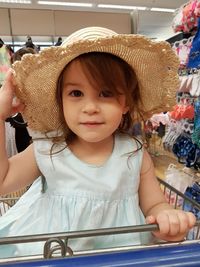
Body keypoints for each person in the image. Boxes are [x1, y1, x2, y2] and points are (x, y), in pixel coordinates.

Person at [0, 27, 196, 258]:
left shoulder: (134, 154)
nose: (90, 107)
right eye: (75, 93)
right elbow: (3, 181)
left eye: (105, 93)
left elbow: (154, 205)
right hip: (50, 253)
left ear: (126, 104)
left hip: (119, 256)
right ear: (60, 101)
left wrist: (166, 216)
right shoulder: (47, 149)